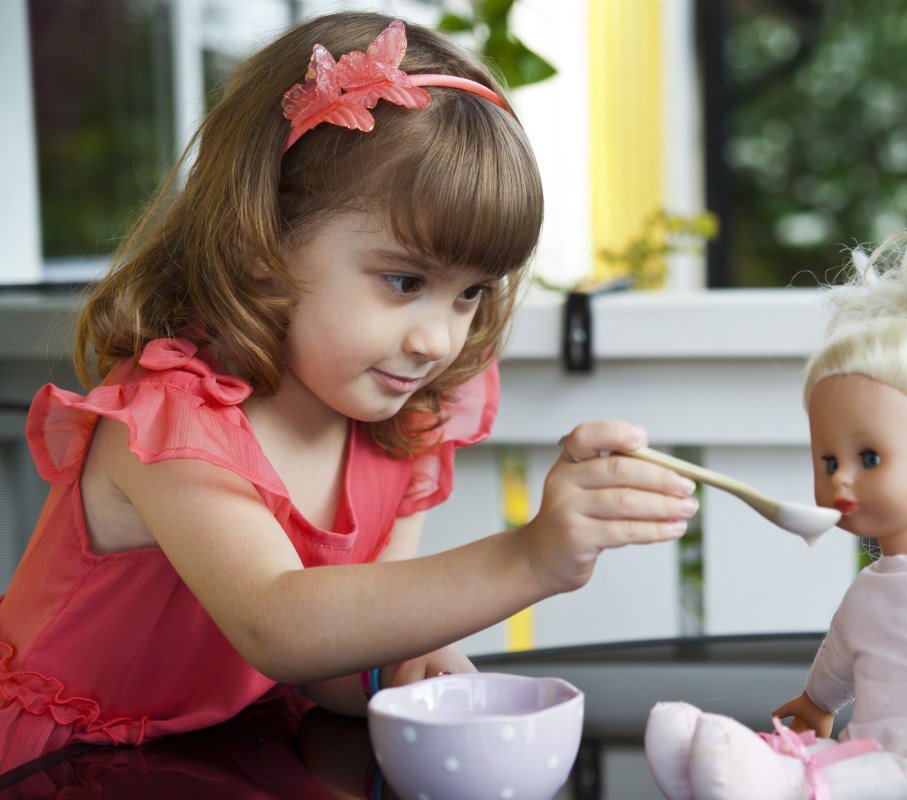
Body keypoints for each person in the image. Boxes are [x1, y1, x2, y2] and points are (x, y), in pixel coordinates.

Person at [0, 13, 699, 770]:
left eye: (470, 294)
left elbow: (329, 665)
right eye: (404, 281)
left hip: (227, 756)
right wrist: (531, 558)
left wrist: (398, 667)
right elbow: (278, 625)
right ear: (262, 244)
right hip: (59, 766)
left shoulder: (400, 423)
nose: (438, 341)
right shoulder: (169, 422)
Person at [644, 204, 907, 800]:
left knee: (832, 780)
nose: (840, 479)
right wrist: (817, 703)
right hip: (869, 744)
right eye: (827, 461)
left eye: (868, 458)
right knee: (830, 760)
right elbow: (841, 656)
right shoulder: (871, 586)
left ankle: (768, 781)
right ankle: (718, 770)